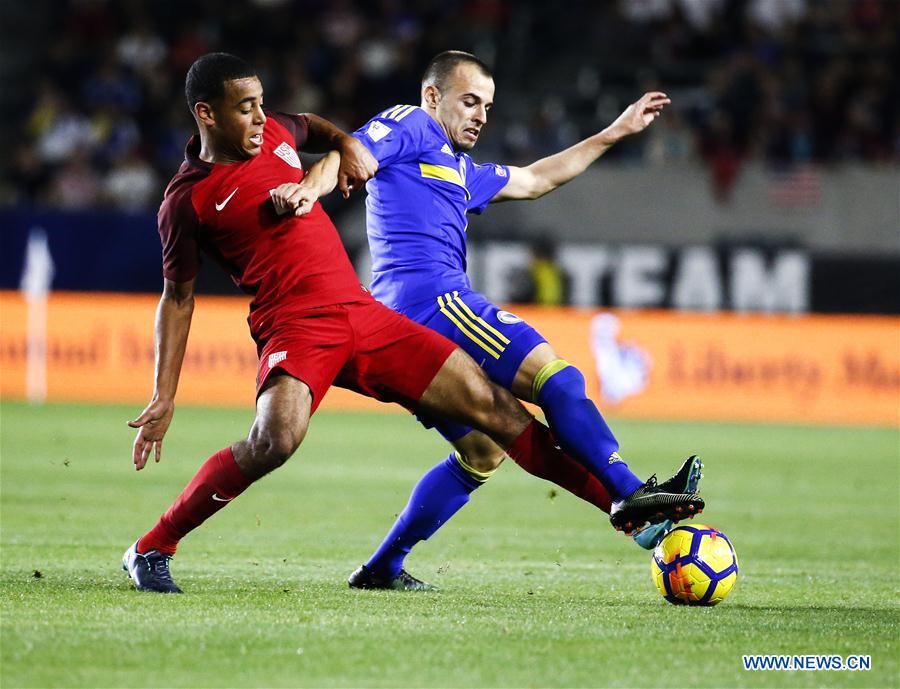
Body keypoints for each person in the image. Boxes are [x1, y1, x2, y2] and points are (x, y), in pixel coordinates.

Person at [122, 52, 700, 594]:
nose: (258, 116)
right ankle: (152, 546)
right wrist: (163, 396)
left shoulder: (282, 132)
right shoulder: (187, 201)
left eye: (259, 103)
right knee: (275, 441)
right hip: (301, 323)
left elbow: (325, 135)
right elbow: (177, 299)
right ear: (206, 114)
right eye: (244, 107)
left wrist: (616, 131)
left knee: (493, 426)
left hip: (365, 314)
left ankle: (632, 513)